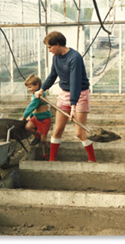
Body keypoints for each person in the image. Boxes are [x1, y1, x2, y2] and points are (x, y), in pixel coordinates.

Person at [35, 31, 96, 162]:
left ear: (57, 44)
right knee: (57, 130)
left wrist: (73, 106)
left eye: (50, 47)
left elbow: (75, 83)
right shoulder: (56, 57)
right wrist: (42, 89)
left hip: (79, 95)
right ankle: (52, 161)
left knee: (79, 133)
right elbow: (52, 76)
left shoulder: (75, 58)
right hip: (64, 94)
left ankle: (92, 159)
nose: (49, 50)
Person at [21, 74, 52, 160]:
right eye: (28, 88)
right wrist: (30, 116)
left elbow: (31, 107)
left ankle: (45, 154)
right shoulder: (34, 94)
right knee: (28, 126)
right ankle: (37, 136)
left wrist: (24, 117)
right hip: (37, 118)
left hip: (45, 119)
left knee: (43, 139)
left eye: (30, 87)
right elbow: (35, 109)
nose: (29, 89)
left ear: (37, 85)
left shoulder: (39, 95)